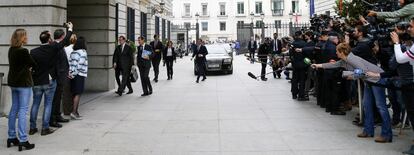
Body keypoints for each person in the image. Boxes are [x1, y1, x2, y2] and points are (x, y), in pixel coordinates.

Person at [312, 43, 393, 143]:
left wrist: (350, 75)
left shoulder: (352, 59)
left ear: (342, 52)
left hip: (376, 80)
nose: (336, 53)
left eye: (337, 51)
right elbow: (333, 65)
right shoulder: (345, 60)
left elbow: (364, 71)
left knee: (380, 106)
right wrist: (318, 65)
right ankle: (368, 130)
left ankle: (386, 134)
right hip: (370, 81)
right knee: (367, 106)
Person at [7, 29, 36, 151]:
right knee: (23, 111)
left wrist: (27, 66)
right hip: (23, 84)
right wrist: (29, 68)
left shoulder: (11, 50)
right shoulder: (23, 51)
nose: (27, 37)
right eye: (25, 35)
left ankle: (12, 136)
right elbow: (33, 63)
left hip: (13, 83)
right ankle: (23, 139)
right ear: (21, 38)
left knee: (14, 108)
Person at [28, 31, 58, 136]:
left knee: (35, 103)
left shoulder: (33, 52)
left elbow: (31, 66)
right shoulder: (52, 49)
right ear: (49, 39)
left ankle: (32, 128)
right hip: (48, 80)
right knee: (48, 104)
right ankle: (45, 128)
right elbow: (63, 42)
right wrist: (70, 29)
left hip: (37, 81)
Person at [50, 24, 74, 128]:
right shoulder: (55, 45)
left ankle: (58, 115)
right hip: (58, 76)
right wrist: (70, 29)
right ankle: (53, 119)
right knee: (55, 98)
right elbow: (66, 40)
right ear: (62, 37)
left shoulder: (58, 45)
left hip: (62, 75)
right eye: (64, 36)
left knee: (58, 97)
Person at [68, 37, 88, 120]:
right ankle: (74, 112)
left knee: (74, 93)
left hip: (72, 74)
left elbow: (70, 63)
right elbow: (79, 65)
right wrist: (74, 74)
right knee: (78, 93)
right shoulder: (83, 52)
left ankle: (75, 112)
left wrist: (71, 74)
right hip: (79, 75)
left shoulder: (73, 52)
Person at [290, 31, 308, 100]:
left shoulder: (293, 44)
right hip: (303, 64)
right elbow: (306, 54)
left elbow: (291, 54)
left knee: (294, 79)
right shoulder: (304, 43)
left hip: (295, 64)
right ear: (300, 35)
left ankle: (294, 94)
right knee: (302, 80)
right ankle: (301, 95)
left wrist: (293, 62)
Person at [62, 34, 77, 117]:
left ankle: (66, 110)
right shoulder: (77, 50)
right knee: (74, 92)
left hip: (66, 71)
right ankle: (73, 109)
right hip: (74, 72)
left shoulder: (65, 49)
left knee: (66, 92)